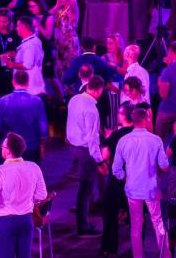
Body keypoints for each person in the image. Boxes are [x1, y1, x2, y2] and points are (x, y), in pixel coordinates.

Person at [112, 107, 171, 258]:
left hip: (133, 190)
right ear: (145, 120)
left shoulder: (123, 141)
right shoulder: (155, 140)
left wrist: (125, 177)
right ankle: (165, 255)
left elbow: (116, 169)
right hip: (151, 189)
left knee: (136, 226)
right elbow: (164, 166)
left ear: (133, 121)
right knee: (158, 223)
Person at [0, 132, 47, 258]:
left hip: (5, 222)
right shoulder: (34, 167)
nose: (1, 149)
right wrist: (28, 200)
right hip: (26, 220)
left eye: (2, 147)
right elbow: (42, 195)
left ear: (8, 150)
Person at [66, 75, 108, 237]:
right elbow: (92, 140)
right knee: (85, 189)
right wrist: (100, 161)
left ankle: (83, 222)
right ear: (98, 90)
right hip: (86, 152)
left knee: (83, 188)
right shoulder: (91, 110)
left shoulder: (74, 99)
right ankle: (83, 227)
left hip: (74, 148)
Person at [100, 103, 135, 256]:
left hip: (117, 182)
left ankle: (109, 247)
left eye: (120, 113)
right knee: (137, 218)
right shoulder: (142, 135)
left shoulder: (115, 135)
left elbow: (104, 156)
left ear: (124, 116)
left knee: (110, 215)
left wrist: (107, 140)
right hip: (136, 182)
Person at [0, 71, 48, 163]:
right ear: (28, 82)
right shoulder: (37, 101)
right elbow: (43, 126)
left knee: (11, 171)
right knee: (31, 170)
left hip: (10, 148)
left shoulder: (3, 101)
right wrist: (43, 143)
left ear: (13, 82)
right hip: (32, 146)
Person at [157, 42, 176, 139]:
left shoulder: (167, 71)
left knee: (159, 138)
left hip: (168, 111)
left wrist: (160, 82)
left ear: (172, 52)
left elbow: (163, 94)